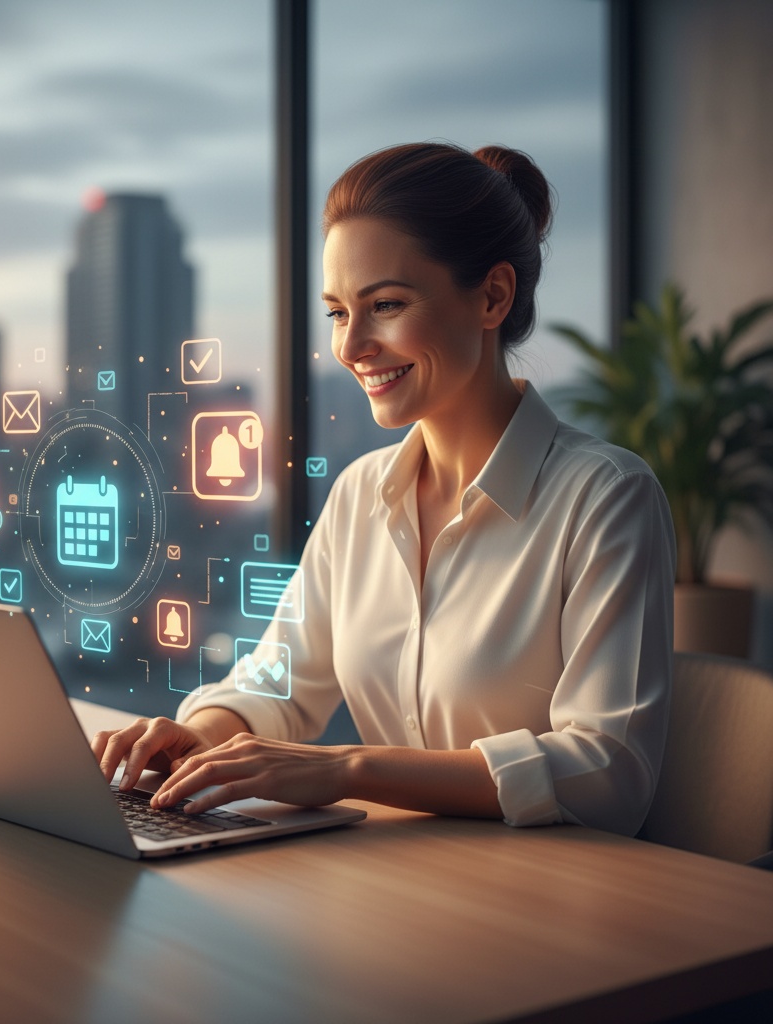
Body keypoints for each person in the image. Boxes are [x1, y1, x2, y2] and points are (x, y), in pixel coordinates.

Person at [93, 141, 676, 836]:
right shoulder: (359, 494)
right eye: (339, 312)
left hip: (549, 899)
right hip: (393, 879)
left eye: (387, 305)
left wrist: (348, 769)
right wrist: (205, 736)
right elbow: (279, 679)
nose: (351, 346)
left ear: (493, 297)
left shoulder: (605, 498)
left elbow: (607, 773)